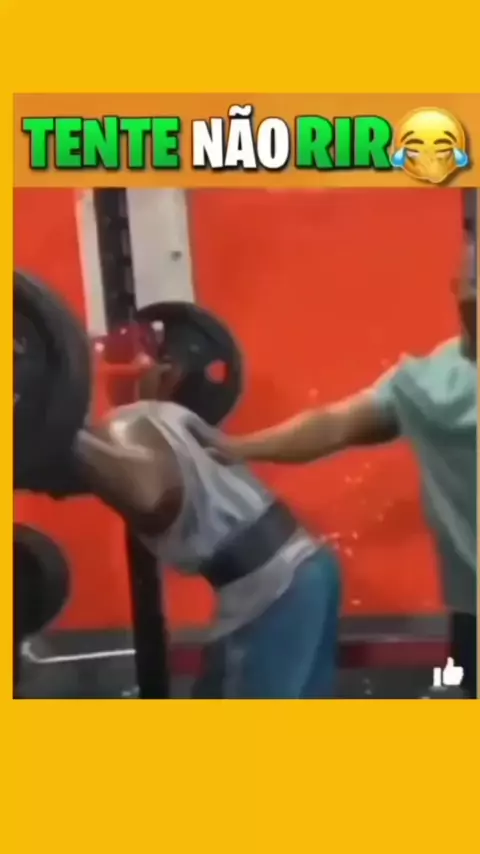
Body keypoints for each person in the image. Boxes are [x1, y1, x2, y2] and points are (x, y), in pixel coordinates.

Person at [211, 218, 478, 698]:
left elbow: (333, 426)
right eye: (469, 283)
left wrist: (235, 449)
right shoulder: (433, 382)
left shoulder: (431, 383)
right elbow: (332, 426)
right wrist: (234, 448)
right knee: (463, 687)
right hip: (471, 612)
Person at [72, 359, 341, 699]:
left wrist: (72, 442)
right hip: (310, 567)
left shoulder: (116, 435)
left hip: (274, 588)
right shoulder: (160, 414)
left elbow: (150, 494)